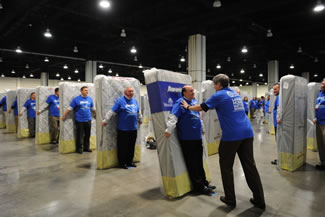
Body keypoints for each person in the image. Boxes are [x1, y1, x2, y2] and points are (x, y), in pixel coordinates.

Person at [181, 74, 265, 209]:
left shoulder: (218, 95)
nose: (214, 87)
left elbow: (201, 107)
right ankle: (259, 199)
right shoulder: (234, 93)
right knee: (250, 166)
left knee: (226, 167)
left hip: (232, 136)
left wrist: (187, 107)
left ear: (219, 84)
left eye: (215, 85)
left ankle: (230, 199)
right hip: (247, 133)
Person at [164, 85, 216, 196]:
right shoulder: (180, 103)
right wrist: (169, 130)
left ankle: (204, 182)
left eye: (193, 90)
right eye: (191, 91)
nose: (193, 92)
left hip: (197, 137)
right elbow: (173, 117)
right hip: (187, 138)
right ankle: (199, 187)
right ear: (184, 93)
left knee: (199, 162)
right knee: (192, 163)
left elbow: (198, 116)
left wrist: (202, 128)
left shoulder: (194, 102)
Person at [102, 87, 142, 169]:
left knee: (131, 146)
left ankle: (130, 161)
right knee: (122, 147)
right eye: (129, 91)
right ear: (125, 92)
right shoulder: (120, 101)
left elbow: (138, 112)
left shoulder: (135, 101)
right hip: (123, 129)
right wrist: (105, 120)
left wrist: (140, 119)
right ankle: (122, 163)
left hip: (133, 128)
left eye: (132, 91)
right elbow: (112, 111)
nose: (131, 92)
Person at [62, 86, 96, 154]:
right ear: (81, 91)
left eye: (87, 90)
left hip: (88, 120)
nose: (87, 91)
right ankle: (79, 149)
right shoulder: (76, 99)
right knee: (80, 135)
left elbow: (93, 109)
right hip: (79, 120)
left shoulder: (90, 99)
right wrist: (64, 116)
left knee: (87, 135)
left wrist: (96, 115)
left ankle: (86, 148)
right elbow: (69, 108)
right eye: (85, 90)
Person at [314, 80, 325, 170]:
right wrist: (315, 117)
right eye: (322, 83)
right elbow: (317, 106)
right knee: (320, 143)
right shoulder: (320, 94)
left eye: (324, 84)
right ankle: (323, 162)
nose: (322, 85)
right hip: (318, 122)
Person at [271, 83, 280, 165]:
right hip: (276, 123)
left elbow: (279, 108)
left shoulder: (280, 97)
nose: (274, 91)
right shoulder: (278, 96)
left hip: (278, 124)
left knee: (279, 141)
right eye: (273, 89)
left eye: (275, 89)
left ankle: (280, 159)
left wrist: (278, 118)